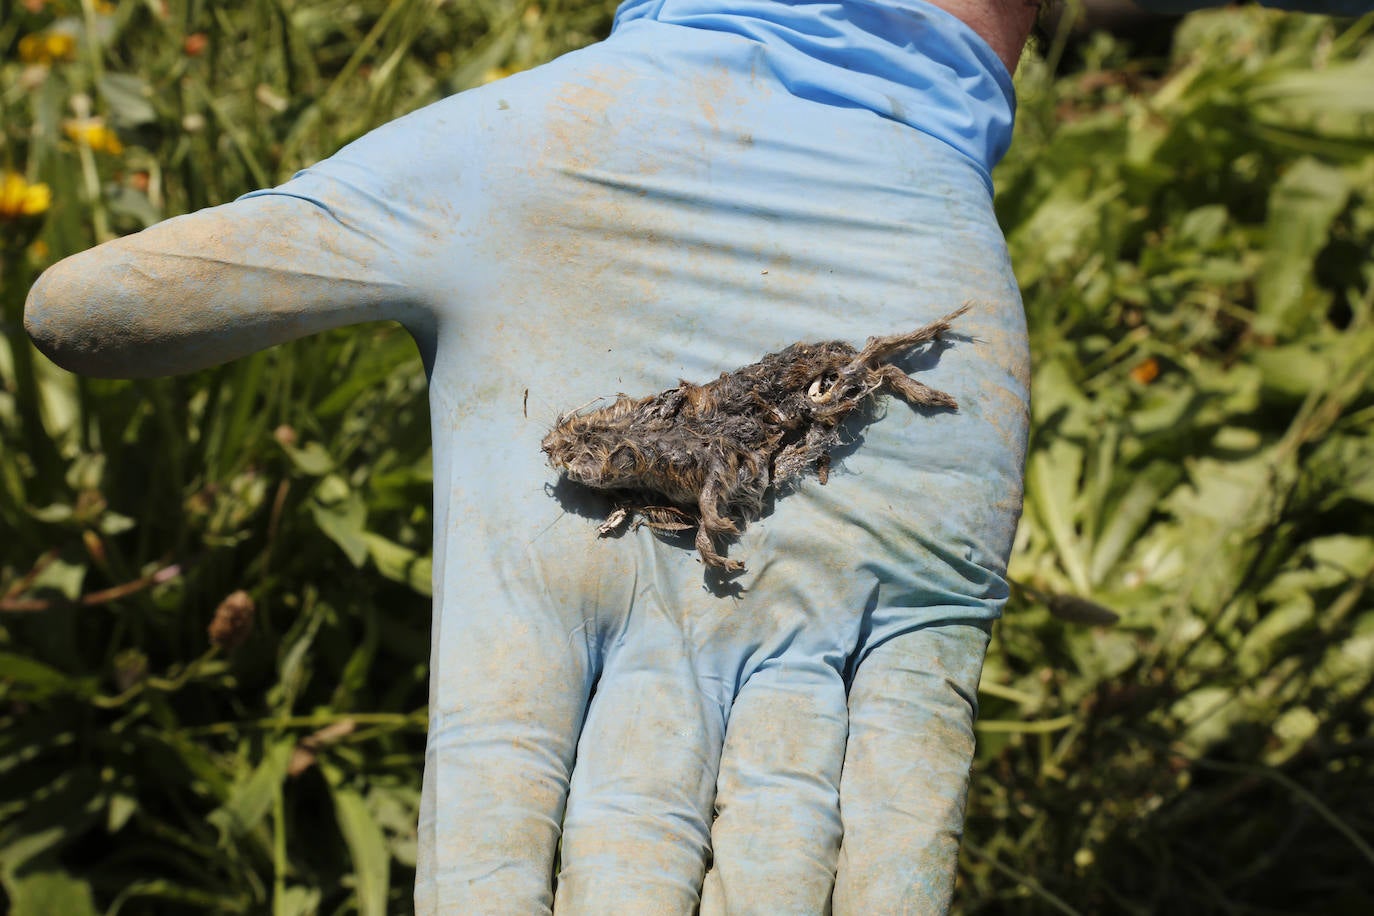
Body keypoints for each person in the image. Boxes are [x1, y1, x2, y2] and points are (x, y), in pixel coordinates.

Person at [23, 0, 1365, 911]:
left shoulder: (682, 474)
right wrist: (835, 25)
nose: (575, 468)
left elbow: (734, 464)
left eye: (587, 462)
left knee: (817, 397)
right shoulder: (620, 450)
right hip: (713, 379)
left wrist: (719, 531)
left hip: (745, 421)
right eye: (584, 460)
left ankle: (899, 357)